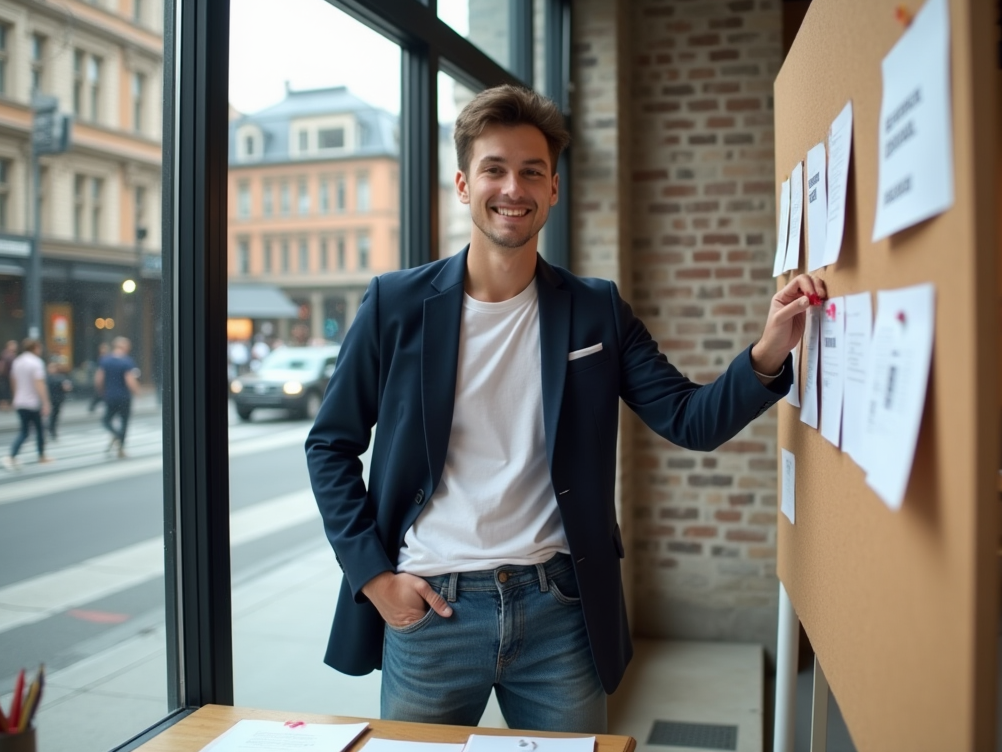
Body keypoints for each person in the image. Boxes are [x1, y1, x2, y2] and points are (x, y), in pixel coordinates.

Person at [306, 85, 823, 733]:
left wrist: (770, 351)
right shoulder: (395, 305)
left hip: (559, 610)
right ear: (465, 184)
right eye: (494, 169)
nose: (512, 188)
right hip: (433, 609)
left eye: (531, 171)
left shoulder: (595, 309)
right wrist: (375, 578)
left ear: (553, 188)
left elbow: (691, 419)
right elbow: (330, 445)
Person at [1, 338, 53, 470]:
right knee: (40, 430)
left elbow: (13, 380)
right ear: (35, 348)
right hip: (33, 402)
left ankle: (13, 455)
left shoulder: (18, 361)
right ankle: (41, 456)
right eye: (39, 348)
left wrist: (15, 397)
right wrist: (46, 402)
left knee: (24, 431)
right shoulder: (36, 362)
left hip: (20, 401)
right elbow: (39, 384)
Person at [95, 337, 140, 458]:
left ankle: (114, 434)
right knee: (124, 422)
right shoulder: (126, 361)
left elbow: (99, 378)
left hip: (110, 395)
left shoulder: (105, 360)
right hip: (124, 396)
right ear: (124, 347)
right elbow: (129, 379)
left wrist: (102, 391)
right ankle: (121, 446)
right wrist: (137, 392)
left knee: (106, 420)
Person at [46, 360, 74, 440]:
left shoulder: (59, 377)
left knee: (55, 415)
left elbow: (67, 387)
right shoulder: (48, 378)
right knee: (52, 415)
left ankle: (52, 429)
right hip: (50, 399)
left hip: (57, 399)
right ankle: (50, 429)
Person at [88, 342, 111, 412]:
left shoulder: (107, 358)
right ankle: (92, 407)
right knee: (99, 395)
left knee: (102, 395)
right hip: (103, 380)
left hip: (106, 380)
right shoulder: (102, 359)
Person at [0, 339, 17, 411]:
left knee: (8, 389)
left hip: (10, 375)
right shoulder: (6, 354)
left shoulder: (12, 355)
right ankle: (3, 405)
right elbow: (1, 364)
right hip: (5, 375)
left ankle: (8, 404)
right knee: (4, 390)